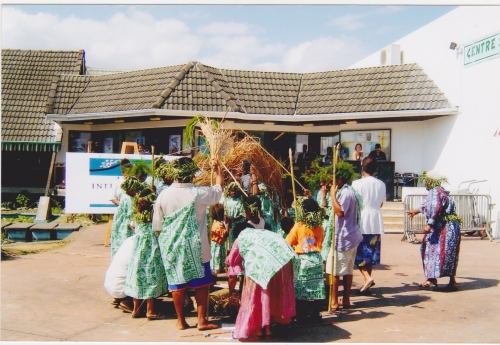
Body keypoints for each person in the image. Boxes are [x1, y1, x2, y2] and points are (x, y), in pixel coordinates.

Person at [152, 157, 222, 330]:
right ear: (191, 173)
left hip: (172, 247)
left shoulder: (164, 195)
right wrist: (217, 169)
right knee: (202, 285)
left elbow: (157, 226)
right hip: (197, 248)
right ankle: (201, 320)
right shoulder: (198, 193)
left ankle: (180, 321)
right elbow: (218, 190)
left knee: (177, 285)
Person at [226, 224, 297, 341]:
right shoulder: (261, 233)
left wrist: (231, 292)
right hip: (283, 259)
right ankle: (268, 329)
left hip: (262, 261)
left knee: (256, 294)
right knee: (269, 292)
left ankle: (259, 329)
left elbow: (232, 267)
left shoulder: (241, 238)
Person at [406, 170, 461, 292]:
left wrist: (429, 225)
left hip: (442, 228)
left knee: (429, 249)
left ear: (430, 182)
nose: (425, 183)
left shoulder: (434, 191)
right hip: (451, 228)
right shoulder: (441, 191)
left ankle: (431, 279)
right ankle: (452, 281)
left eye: (426, 181)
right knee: (449, 254)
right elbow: (429, 205)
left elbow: (435, 208)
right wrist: (416, 211)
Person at [124, 188, 167, 319]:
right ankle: (150, 311)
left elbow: (132, 226)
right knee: (150, 277)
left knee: (138, 277)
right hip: (152, 249)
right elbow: (160, 228)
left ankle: (136, 309)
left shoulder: (136, 216)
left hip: (138, 251)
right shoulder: (154, 215)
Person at [326, 161, 363, 310]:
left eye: (332, 180)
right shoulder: (349, 191)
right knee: (347, 270)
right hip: (350, 236)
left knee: (335, 271)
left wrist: (333, 195)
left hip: (344, 237)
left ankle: (335, 301)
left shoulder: (346, 193)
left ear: (339, 179)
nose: (330, 184)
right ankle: (345, 300)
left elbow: (340, 212)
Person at [286, 197, 325, 324]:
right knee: (316, 288)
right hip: (316, 259)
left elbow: (288, 242)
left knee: (301, 288)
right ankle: (315, 313)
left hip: (302, 260)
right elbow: (321, 241)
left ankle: (301, 314)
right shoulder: (319, 227)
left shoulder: (298, 226)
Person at [352, 157, 386, 294]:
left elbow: (354, 203)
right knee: (370, 254)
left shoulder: (356, 183)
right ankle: (368, 281)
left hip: (362, 219)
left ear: (362, 168)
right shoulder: (381, 184)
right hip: (376, 219)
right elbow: (381, 203)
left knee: (358, 253)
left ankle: (367, 277)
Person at [110, 176, 147, 259]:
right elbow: (131, 218)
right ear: (130, 189)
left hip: (119, 224)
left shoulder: (124, 196)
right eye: (136, 190)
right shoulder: (129, 200)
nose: (137, 192)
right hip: (125, 227)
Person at [209, 203, 229, 275]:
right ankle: (215, 272)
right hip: (217, 245)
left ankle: (216, 270)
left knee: (216, 258)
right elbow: (225, 235)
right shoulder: (219, 224)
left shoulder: (215, 222)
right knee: (216, 259)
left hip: (217, 244)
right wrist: (227, 224)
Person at [223, 182, 246, 246]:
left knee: (234, 242)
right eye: (232, 191)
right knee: (226, 241)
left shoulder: (240, 200)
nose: (233, 192)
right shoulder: (225, 199)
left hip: (235, 224)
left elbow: (242, 214)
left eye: (235, 191)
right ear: (229, 191)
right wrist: (225, 217)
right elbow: (222, 210)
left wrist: (232, 220)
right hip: (226, 223)